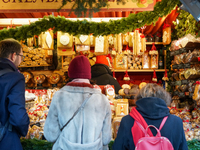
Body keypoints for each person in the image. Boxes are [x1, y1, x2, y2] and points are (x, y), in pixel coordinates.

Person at [44, 55, 112, 150]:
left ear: (70, 73)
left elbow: (51, 135)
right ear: (89, 74)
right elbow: (106, 139)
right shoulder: (102, 99)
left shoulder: (59, 97)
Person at [112, 83, 188, 150]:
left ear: (138, 98)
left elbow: (117, 147)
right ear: (165, 98)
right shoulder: (176, 122)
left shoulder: (127, 121)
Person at [0, 39, 30, 150]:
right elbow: (18, 116)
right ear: (13, 56)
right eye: (21, 57)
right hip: (6, 140)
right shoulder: (15, 78)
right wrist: (24, 129)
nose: (21, 60)